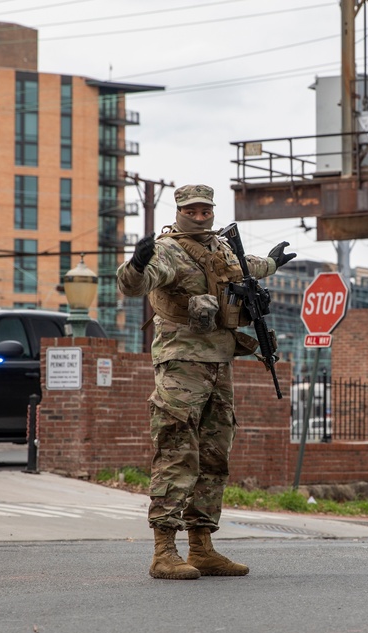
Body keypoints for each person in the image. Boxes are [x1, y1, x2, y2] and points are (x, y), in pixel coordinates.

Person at [117, 184, 296, 580]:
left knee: (215, 455)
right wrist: (135, 262)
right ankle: (164, 551)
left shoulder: (221, 248)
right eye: (193, 211)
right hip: (182, 363)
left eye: (206, 211)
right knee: (178, 449)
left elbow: (241, 269)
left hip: (219, 361)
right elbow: (133, 285)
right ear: (180, 211)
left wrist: (270, 263)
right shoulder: (167, 250)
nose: (200, 217)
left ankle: (201, 546)